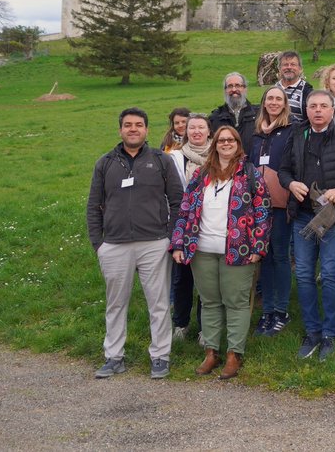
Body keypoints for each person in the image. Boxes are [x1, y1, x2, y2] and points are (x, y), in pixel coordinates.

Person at [86, 107, 183, 380]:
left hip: (154, 243)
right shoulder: (105, 163)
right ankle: (114, 356)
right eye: (127, 125)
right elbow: (94, 206)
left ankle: (160, 356)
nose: (133, 129)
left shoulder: (161, 161)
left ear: (146, 130)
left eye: (138, 125)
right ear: (120, 130)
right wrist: (99, 244)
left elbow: (177, 202)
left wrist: (172, 238)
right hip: (115, 245)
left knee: (159, 302)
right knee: (116, 304)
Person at [171, 126, 270, 379]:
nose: (226, 143)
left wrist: (259, 247)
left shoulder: (250, 174)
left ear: (238, 144)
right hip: (202, 249)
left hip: (239, 250)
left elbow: (263, 212)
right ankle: (211, 352)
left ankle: (234, 354)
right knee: (209, 301)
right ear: (214, 144)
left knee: (235, 302)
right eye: (221, 140)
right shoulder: (202, 175)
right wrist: (179, 243)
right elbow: (184, 210)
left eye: (231, 140)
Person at [277, 90, 335, 361]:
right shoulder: (296, 135)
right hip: (303, 215)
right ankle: (312, 331)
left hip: (333, 216)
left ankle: (329, 334)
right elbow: (283, 171)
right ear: (306, 110)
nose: (317, 110)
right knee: (303, 274)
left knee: (328, 274)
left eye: (323, 106)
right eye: (312, 106)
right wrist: (291, 184)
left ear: (331, 110)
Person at [250, 87, 296, 337]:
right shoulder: (257, 134)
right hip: (257, 206)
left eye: (279, 98)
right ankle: (267, 311)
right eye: (270, 98)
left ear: (285, 103)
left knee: (280, 256)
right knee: (264, 257)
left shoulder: (291, 130)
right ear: (264, 103)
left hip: (280, 204)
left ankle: (281, 310)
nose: (274, 102)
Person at [167, 113, 212, 341]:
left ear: (208, 131)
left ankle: (206, 328)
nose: (196, 132)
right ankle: (181, 324)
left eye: (201, 128)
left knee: (206, 280)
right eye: (192, 128)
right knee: (182, 278)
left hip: (209, 224)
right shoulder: (175, 157)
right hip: (183, 224)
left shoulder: (219, 155)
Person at [210, 72, 259, 144]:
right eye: (230, 86)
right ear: (225, 90)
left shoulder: (258, 114)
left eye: (238, 85)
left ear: (245, 89)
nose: (234, 89)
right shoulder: (215, 117)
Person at [277, 51, 313, 129]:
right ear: (279, 69)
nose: (289, 67)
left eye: (293, 64)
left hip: (297, 136)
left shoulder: (307, 91)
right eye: (285, 64)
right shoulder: (273, 90)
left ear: (300, 69)